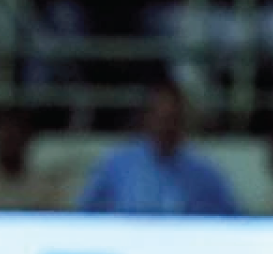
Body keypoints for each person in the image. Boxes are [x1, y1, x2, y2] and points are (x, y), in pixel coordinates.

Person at [76, 81, 242, 215]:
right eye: (161, 118)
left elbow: (233, 220)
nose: (166, 127)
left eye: (173, 118)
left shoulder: (204, 173)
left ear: (183, 119)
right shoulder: (116, 166)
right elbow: (85, 214)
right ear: (147, 118)